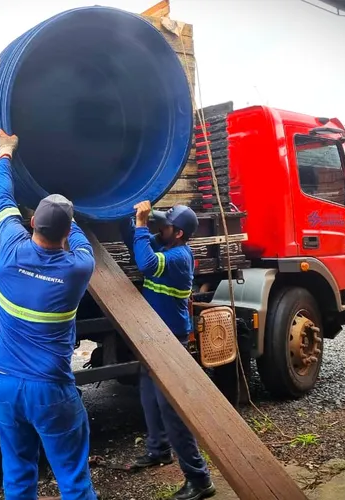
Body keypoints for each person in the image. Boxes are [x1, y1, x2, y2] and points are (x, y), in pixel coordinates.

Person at [0, 129, 98, 500]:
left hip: (4, 385)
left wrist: (5, 154)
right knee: (72, 477)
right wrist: (71, 211)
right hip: (49, 390)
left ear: (31, 222)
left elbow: (2, 199)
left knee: (17, 474)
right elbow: (81, 241)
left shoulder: (9, 251)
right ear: (66, 232)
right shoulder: (77, 269)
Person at [122, 201, 216, 500]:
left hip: (170, 340)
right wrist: (131, 215)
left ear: (177, 233)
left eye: (162, 225)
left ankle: (200, 479)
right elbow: (132, 239)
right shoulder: (163, 243)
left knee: (171, 409)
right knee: (148, 394)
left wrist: (139, 225)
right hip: (153, 335)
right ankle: (158, 450)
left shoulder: (178, 256)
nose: (156, 228)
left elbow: (146, 264)